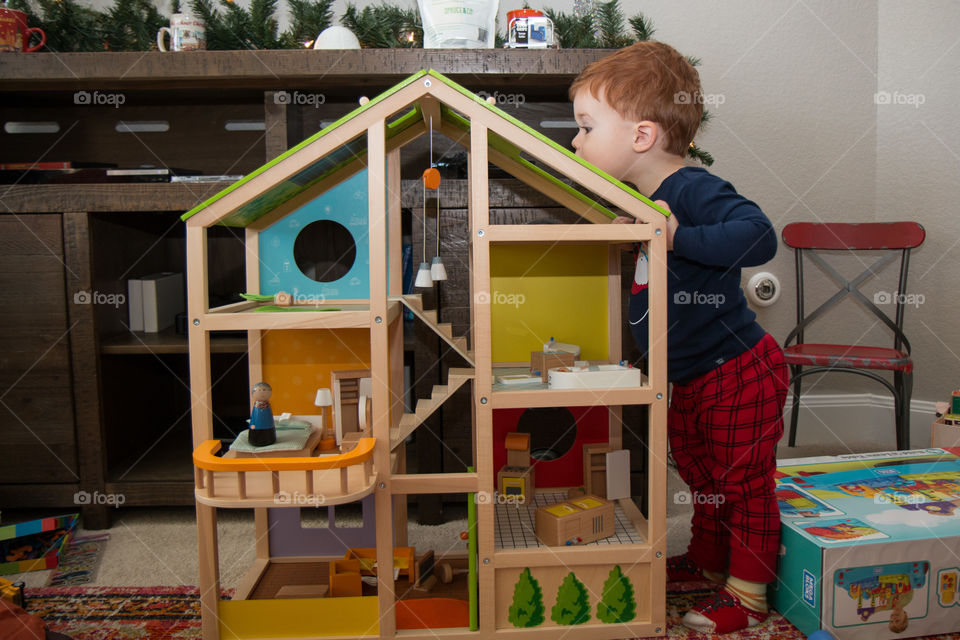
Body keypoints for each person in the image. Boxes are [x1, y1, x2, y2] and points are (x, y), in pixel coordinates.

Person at [569, 41, 789, 634]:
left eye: (586, 127)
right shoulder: (643, 199)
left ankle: (747, 596)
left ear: (641, 136)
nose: (575, 140)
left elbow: (758, 237)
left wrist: (674, 237)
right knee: (702, 475)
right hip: (687, 374)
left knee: (742, 482)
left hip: (737, 369)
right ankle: (708, 559)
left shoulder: (692, 188)